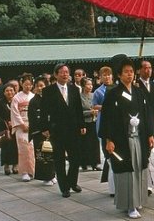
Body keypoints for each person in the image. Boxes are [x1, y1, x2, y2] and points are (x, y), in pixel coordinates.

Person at [102, 56, 154, 219]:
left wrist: (150, 134)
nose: (129, 75)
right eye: (126, 72)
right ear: (119, 75)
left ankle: (138, 200)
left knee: (140, 167)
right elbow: (107, 118)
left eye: (132, 71)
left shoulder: (139, 92)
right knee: (127, 169)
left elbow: (147, 114)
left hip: (139, 136)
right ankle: (129, 205)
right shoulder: (113, 94)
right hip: (122, 139)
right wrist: (108, 139)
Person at [40, 63, 86, 198]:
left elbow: (78, 109)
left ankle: (72, 182)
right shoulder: (48, 91)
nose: (65, 74)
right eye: (62, 72)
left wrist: (82, 125)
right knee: (59, 159)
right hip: (57, 129)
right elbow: (44, 111)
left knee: (75, 158)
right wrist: (44, 127)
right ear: (56, 74)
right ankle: (64, 187)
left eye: (67, 72)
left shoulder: (74, 89)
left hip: (73, 129)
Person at [137, 59, 154, 187]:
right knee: (145, 151)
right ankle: (146, 181)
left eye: (150, 68)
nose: (148, 70)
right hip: (143, 122)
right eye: (145, 68)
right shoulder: (136, 85)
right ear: (140, 70)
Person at [28, 78, 56, 186]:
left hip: (51, 130)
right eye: (38, 86)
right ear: (35, 88)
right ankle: (46, 177)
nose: (40, 88)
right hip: (39, 132)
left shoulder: (50, 99)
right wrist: (43, 129)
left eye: (42, 86)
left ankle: (52, 174)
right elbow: (33, 118)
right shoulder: (33, 101)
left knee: (53, 154)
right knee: (42, 155)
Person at [93, 66, 115, 195]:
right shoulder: (98, 92)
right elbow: (94, 105)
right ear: (100, 77)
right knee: (107, 153)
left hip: (116, 123)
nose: (107, 77)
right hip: (103, 122)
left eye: (109, 75)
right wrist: (105, 107)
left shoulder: (117, 88)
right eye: (104, 75)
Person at [11, 74, 35, 182]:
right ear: (21, 84)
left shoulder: (33, 96)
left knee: (32, 149)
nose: (28, 87)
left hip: (32, 124)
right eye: (26, 85)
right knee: (23, 149)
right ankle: (24, 172)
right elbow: (15, 113)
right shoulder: (16, 98)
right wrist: (22, 124)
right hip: (21, 125)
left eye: (30, 85)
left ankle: (32, 171)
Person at [0, 83, 18, 176]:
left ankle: (15, 165)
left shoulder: (17, 100)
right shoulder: (0, 102)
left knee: (16, 146)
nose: (9, 92)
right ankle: (6, 165)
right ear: (3, 92)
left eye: (11, 90)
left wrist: (14, 121)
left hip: (16, 127)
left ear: (14, 91)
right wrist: (6, 122)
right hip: (4, 127)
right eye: (7, 90)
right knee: (6, 147)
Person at [79, 77, 101, 171]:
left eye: (91, 84)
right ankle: (84, 163)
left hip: (94, 121)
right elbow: (78, 111)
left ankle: (95, 163)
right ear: (83, 86)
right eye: (88, 84)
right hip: (85, 122)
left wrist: (96, 111)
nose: (90, 86)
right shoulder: (79, 97)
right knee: (85, 143)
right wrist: (89, 112)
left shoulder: (93, 95)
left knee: (95, 142)